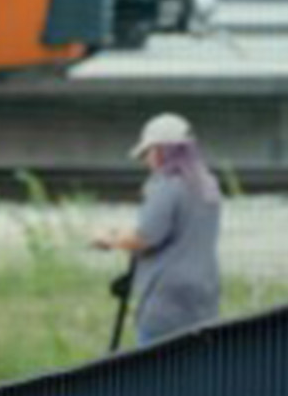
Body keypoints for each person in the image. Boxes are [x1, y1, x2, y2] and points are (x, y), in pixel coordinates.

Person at [92, 112, 223, 347]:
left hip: (166, 296)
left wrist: (109, 239)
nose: (146, 160)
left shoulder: (167, 185)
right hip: (204, 294)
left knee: (159, 365)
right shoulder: (208, 185)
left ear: (161, 151)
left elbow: (144, 237)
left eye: (147, 152)